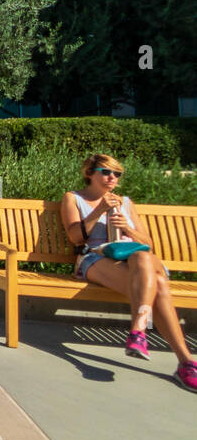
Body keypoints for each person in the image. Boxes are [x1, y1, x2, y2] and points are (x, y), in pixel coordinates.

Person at [60, 153, 197, 391]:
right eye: (106, 172)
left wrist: (128, 230)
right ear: (90, 173)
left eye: (117, 174)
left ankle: (138, 331)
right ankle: (185, 362)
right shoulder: (73, 198)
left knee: (145, 258)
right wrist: (98, 211)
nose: (112, 177)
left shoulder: (125, 202)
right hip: (96, 258)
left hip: (133, 261)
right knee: (158, 285)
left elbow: (148, 242)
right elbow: (75, 237)